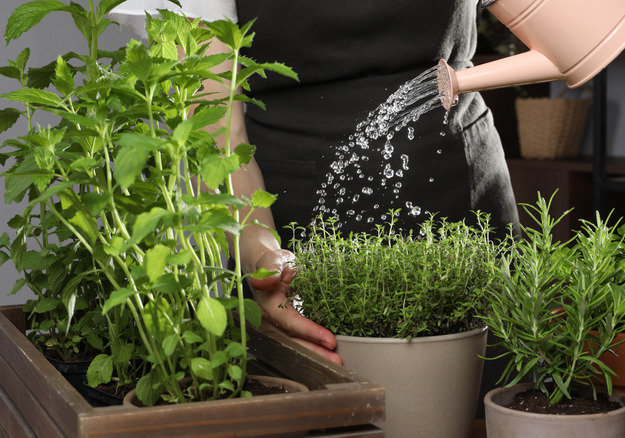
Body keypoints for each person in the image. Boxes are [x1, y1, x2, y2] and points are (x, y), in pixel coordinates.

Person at [112, 0, 521, 365]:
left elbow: (568, 33)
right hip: (296, 229)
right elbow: (217, 132)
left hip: (466, 213)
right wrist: (257, 246)